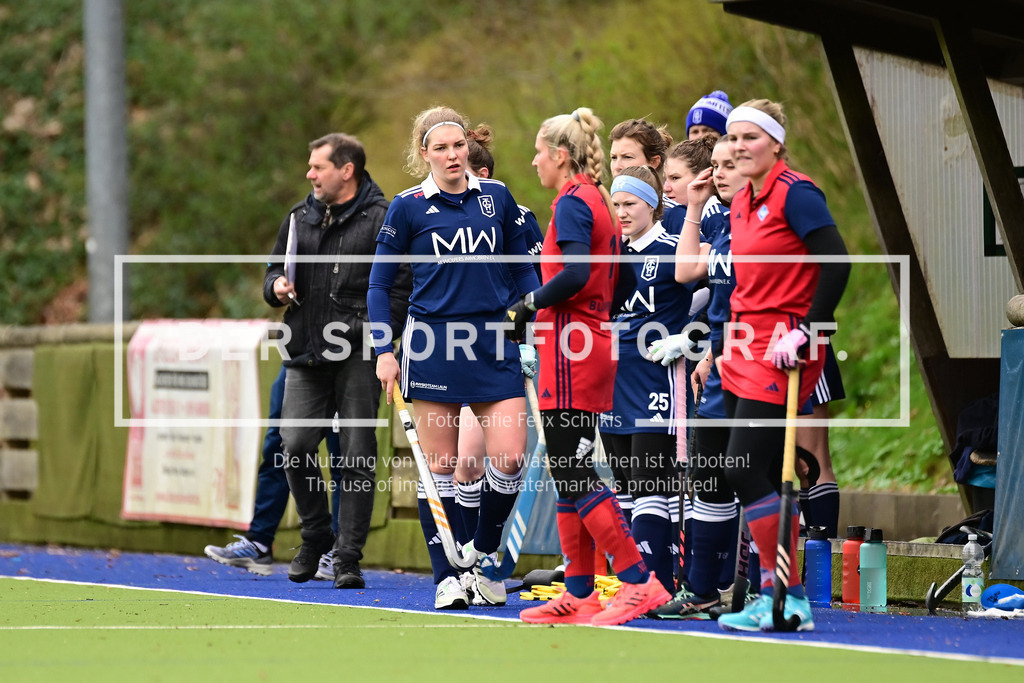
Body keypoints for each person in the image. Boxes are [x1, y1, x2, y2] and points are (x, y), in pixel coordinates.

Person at [367, 106, 540, 611]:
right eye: (439, 148)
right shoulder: (407, 207)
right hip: (432, 345)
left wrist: (536, 320)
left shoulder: (498, 197)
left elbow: (523, 271)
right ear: (424, 153)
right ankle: (446, 576)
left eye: (458, 146)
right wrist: (384, 349)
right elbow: (380, 284)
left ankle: (482, 552)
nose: (451, 155)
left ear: (468, 148)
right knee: (439, 466)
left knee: (509, 456)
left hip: (492, 342)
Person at [510, 107, 671, 626]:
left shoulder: (574, 203)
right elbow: (620, 279)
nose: (534, 161)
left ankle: (637, 580)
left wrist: (529, 304)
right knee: (566, 472)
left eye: (539, 152)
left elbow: (577, 272)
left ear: (560, 155)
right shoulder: (596, 200)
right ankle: (579, 592)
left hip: (569, 350)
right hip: (587, 344)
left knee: (574, 472)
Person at [715, 99, 850, 632]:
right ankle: (780, 595)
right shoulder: (742, 199)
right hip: (744, 345)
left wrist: (808, 329)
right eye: (734, 137)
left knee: (742, 467)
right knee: (766, 473)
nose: (740, 146)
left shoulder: (797, 193)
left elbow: (836, 262)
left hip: (785, 346)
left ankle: (789, 596)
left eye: (751, 137)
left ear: (775, 143)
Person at [264, 133, 411, 590]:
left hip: (360, 355)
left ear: (346, 170)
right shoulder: (297, 216)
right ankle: (315, 535)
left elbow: (401, 288)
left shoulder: (384, 220)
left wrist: (374, 335)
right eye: (310, 167)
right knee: (293, 446)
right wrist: (276, 288)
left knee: (357, 457)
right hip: (305, 351)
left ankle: (347, 558)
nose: (309, 175)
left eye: (317, 167)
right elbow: (271, 273)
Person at [648, 135, 749, 617]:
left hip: (764, 360)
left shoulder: (773, 218)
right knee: (708, 476)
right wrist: (693, 203)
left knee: (756, 476)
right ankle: (705, 591)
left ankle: (779, 592)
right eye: (717, 166)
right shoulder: (723, 223)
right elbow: (687, 270)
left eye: (731, 165)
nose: (721, 173)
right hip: (723, 359)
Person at [598, 165, 692, 596]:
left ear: (652, 205)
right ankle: (635, 584)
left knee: (652, 483)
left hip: (656, 382)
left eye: (630, 203)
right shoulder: (610, 254)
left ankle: (656, 583)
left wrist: (689, 338)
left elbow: (725, 297)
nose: (622, 212)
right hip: (611, 384)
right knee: (627, 489)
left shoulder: (674, 250)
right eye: (616, 204)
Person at [203, 364, 343, 580]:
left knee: (344, 458)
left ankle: (338, 554)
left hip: (349, 359)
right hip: (299, 356)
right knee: (280, 446)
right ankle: (259, 542)